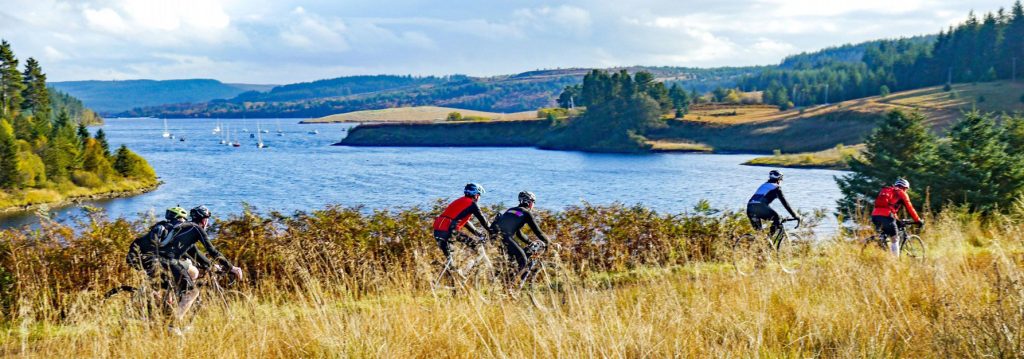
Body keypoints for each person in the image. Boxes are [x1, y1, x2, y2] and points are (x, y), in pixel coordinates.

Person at [158, 205, 243, 322]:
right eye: (207, 219)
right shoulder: (197, 229)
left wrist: (210, 265)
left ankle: (168, 309)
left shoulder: (187, 228)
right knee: (192, 291)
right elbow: (212, 251)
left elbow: (194, 252)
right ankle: (174, 324)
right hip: (168, 261)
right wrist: (231, 268)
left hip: (160, 259)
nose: (207, 222)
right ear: (204, 220)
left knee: (190, 274)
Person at [491, 191, 550, 281]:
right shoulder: (526, 213)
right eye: (533, 202)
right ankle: (509, 286)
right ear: (530, 202)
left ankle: (503, 280)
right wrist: (549, 243)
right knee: (523, 260)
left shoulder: (511, 210)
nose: (533, 205)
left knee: (511, 262)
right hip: (505, 238)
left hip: (496, 238)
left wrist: (529, 242)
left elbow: (518, 233)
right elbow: (539, 232)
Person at [126, 206, 188, 286]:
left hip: (142, 257)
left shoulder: (165, 228)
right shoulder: (162, 229)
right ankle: (151, 294)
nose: (184, 223)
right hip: (140, 258)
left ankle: (157, 293)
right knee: (165, 282)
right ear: (178, 219)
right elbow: (156, 247)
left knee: (168, 280)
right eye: (183, 220)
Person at [432, 183, 491, 261]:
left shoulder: (458, 201)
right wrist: (493, 230)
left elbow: (465, 222)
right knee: (478, 247)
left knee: (451, 260)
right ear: (476, 195)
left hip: (437, 230)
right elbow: (484, 222)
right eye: (479, 195)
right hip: (449, 230)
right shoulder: (473, 205)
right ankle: (471, 269)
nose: (479, 198)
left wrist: (478, 233)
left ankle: (453, 270)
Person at [871, 178, 923, 255]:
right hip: (887, 216)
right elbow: (910, 208)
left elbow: (888, 207)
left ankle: (881, 241)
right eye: (906, 189)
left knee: (886, 232)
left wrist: (898, 220)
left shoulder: (887, 190)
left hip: (875, 215)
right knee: (895, 238)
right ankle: (895, 261)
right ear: (905, 187)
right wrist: (917, 220)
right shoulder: (901, 193)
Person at [746, 170, 800, 238]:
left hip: (750, 209)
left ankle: (762, 243)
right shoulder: (776, 188)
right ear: (779, 180)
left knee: (760, 235)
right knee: (777, 218)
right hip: (759, 207)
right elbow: (785, 203)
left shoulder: (764, 185)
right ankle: (769, 239)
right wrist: (795, 215)